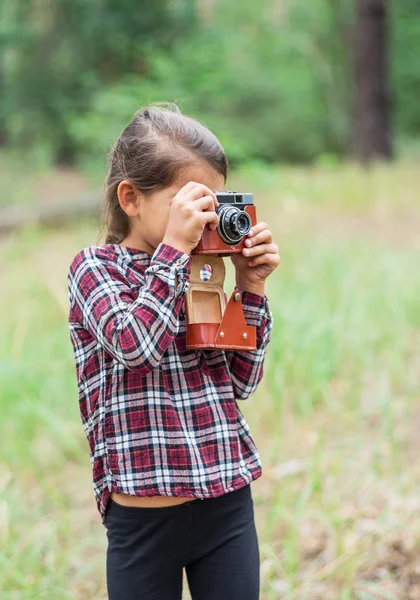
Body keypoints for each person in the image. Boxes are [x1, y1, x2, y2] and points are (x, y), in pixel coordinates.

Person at [67, 102, 280, 600]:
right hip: (144, 517)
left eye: (213, 203)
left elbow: (240, 383)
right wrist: (174, 255)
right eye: (189, 204)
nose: (203, 219)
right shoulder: (95, 269)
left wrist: (250, 289)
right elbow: (134, 346)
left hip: (226, 500)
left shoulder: (203, 269)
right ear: (130, 198)